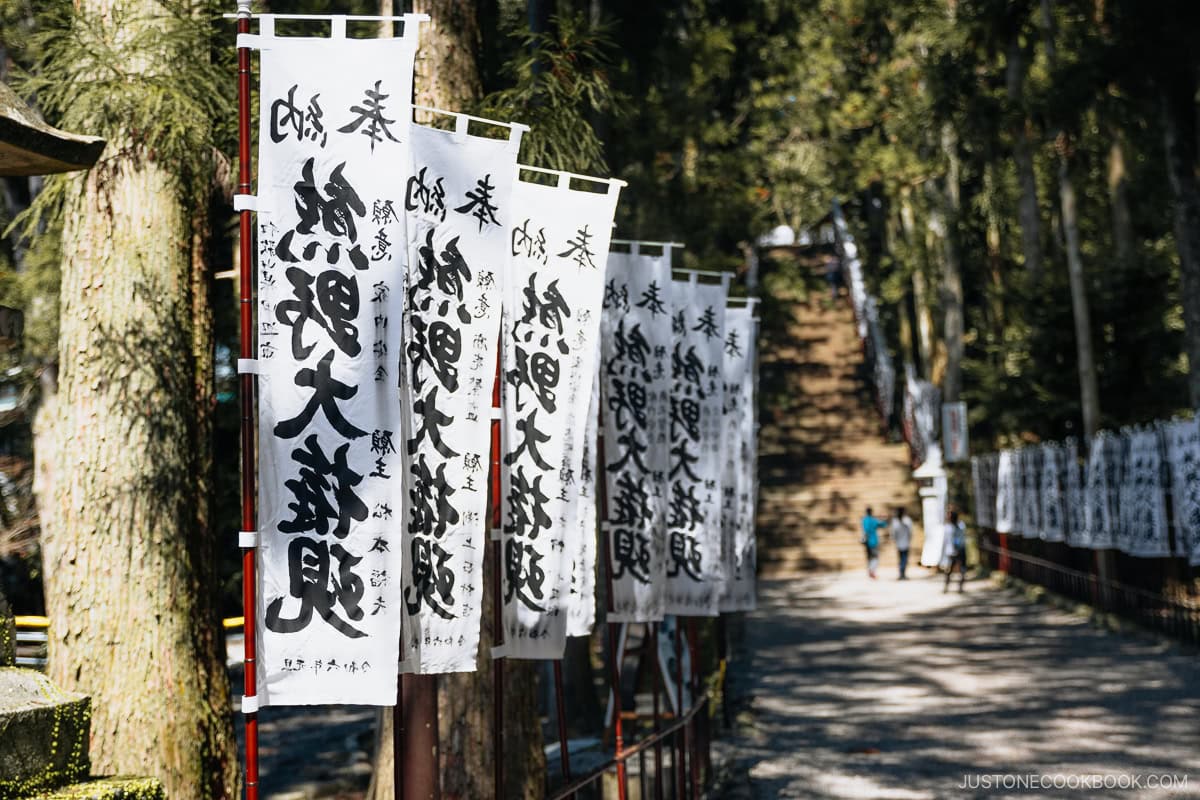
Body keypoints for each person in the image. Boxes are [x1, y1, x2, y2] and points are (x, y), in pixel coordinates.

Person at [942, 509, 967, 593]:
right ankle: (948, 587)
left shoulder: (956, 526)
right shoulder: (953, 526)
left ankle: (958, 587)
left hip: (957, 550)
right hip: (955, 551)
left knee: (960, 569)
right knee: (951, 569)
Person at [860, 507, 888, 579]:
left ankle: (870, 570)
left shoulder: (864, 520)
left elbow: (864, 530)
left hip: (866, 542)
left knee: (869, 557)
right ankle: (872, 571)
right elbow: (883, 525)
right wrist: (884, 518)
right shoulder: (873, 520)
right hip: (873, 541)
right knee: (875, 557)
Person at [892, 507, 914, 580]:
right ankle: (902, 573)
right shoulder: (907, 520)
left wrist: (895, 540)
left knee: (901, 559)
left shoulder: (896, 521)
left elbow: (893, 533)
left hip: (899, 543)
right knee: (904, 559)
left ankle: (902, 573)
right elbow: (910, 532)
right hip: (905, 542)